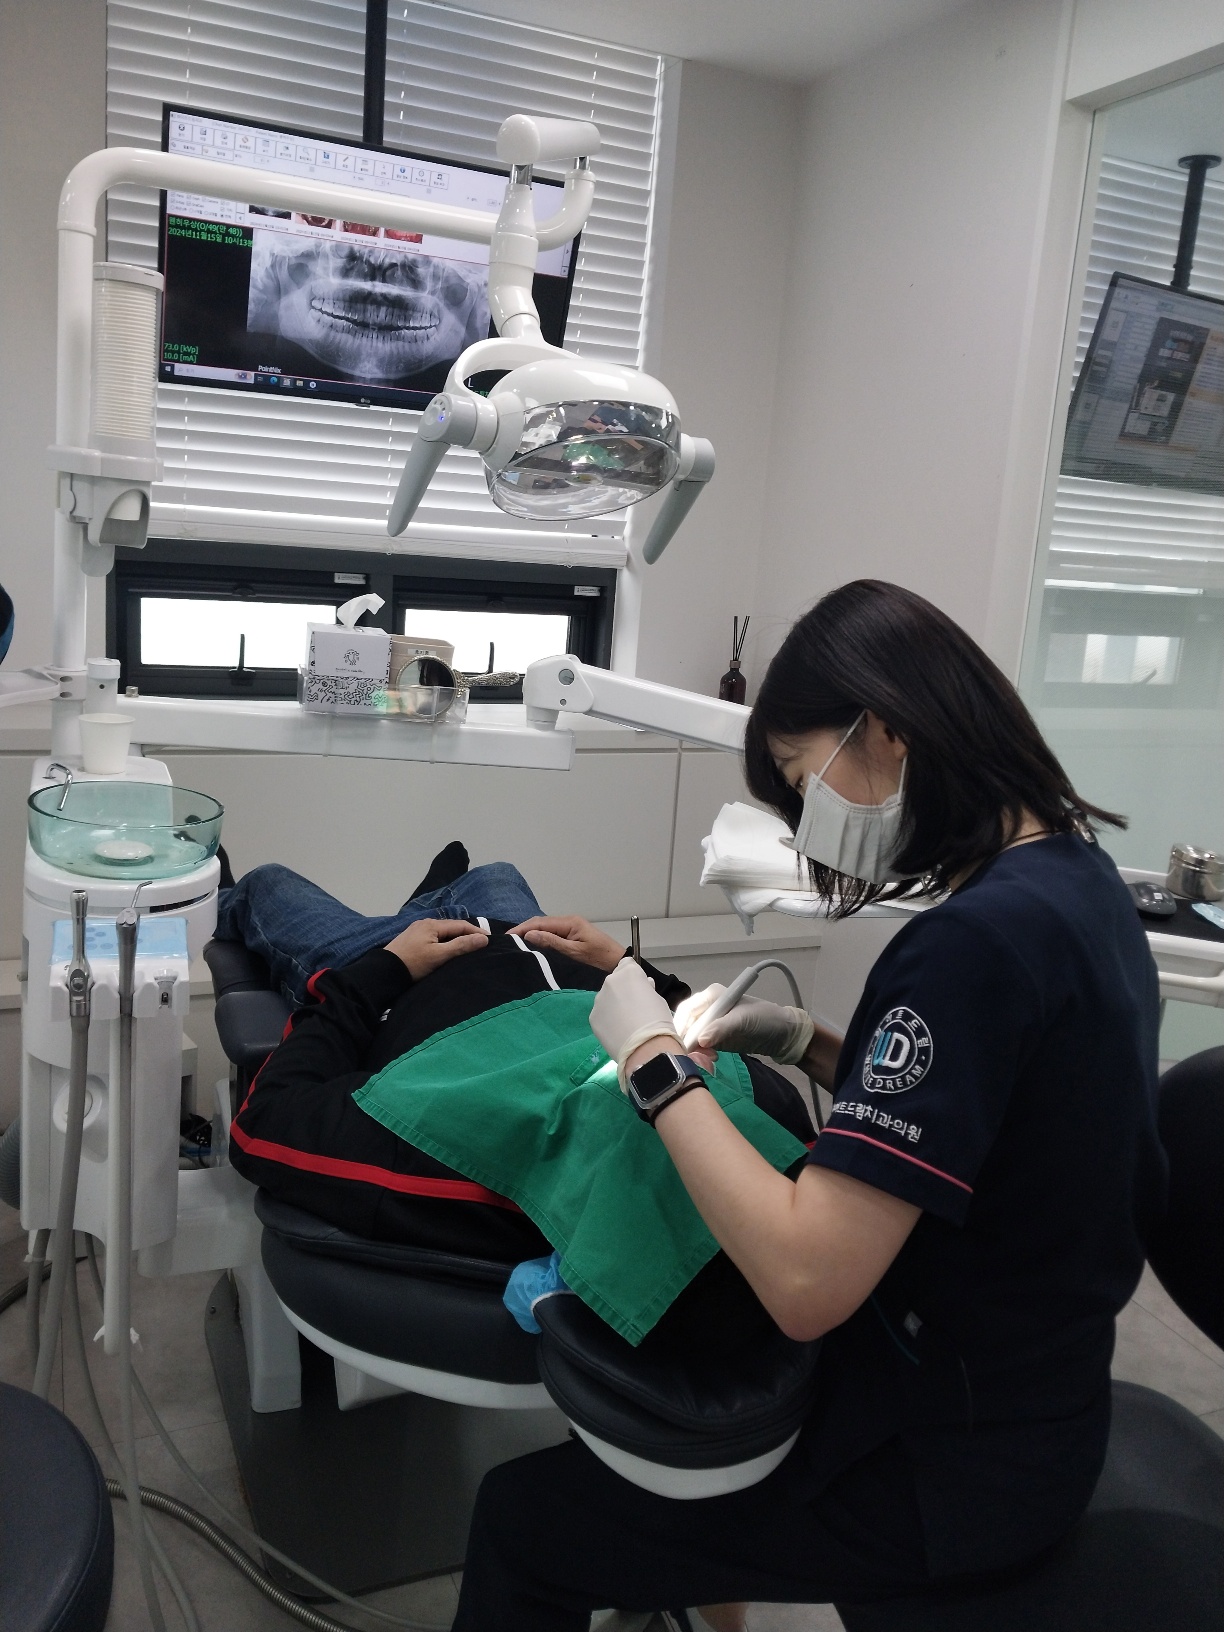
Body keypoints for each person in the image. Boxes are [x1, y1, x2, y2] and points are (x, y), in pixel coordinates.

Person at [449, 579, 1167, 1632]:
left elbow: (804, 1281)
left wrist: (652, 1062)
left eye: (801, 779)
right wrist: (799, 1039)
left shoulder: (972, 946)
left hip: (946, 1461)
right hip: (1034, 1404)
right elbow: (984, 1113)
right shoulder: (1075, 884)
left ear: (886, 729)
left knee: (526, 1522)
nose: (806, 821)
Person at [217, 847, 813, 1269]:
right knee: (495, 872)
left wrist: (385, 967)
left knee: (266, 883)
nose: (691, 1067)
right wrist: (627, 965)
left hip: (394, 975)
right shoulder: (771, 1121)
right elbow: (694, 1026)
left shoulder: (463, 1158)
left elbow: (264, 1123)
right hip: (538, 945)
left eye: (663, 1079)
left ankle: (419, 911)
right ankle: (431, 902)